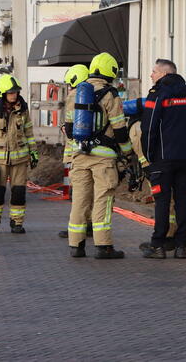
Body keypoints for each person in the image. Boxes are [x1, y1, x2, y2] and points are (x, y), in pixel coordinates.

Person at [64, 52, 132, 259]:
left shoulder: (75, 93)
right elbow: (120, 130)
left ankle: (76, 245)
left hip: (79, 154)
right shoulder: (110, 94)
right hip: (103, 158)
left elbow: (68, 130)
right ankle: (103, 246)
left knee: (80, 200)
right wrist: (128, 152)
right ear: (110, 72)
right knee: (103, 198)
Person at [139, 59, 186, 259]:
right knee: (182, 200)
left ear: (164, 74)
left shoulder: (157, 95)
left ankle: (157, 245)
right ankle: (181, 245)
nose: (151, 75)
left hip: (161, 160)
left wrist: (149, 156)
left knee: (162, 201)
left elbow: (148, 129)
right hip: (183, 158)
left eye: (154, 71)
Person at [0, 74, 38, 234]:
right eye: (11, 92)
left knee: (19, 192)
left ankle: (17, 223)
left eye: (16, 92)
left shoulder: (22, 109)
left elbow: (29, 132)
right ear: (4, 93)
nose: (14, 95)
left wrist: (33, 152)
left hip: (20, 158)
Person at [58, 64, 91, 239]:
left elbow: (70, 130)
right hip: (90, 151)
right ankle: (89, 224)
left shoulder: (73, 97)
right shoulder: (92, 94)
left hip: (75, 154)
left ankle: (78, 228)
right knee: (89, 192)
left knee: (78, 194)